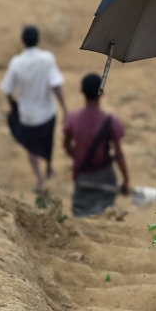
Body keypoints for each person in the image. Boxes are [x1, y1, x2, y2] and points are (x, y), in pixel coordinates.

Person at [0, 26, 67, 194]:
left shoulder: (16, 62)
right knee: (47, 142)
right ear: (38, 39)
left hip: (27, 115)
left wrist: (13, 105)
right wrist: (65, 109)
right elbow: (56, 85)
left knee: (31, 148)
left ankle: (40, 179)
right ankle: (49, 167)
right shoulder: (47, 59)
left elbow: (7, 90)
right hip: (47, 113)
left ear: (22, 41)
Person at [63, 74, 129, 217]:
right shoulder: (111, 121)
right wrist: (126, 180)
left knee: (81, 215)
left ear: (81, 91)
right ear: (102, 92)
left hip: (83, 176)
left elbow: (66, 146)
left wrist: (79, 159)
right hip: (105, 176)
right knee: (104, 216)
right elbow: (119, 155)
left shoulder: (72, 119)